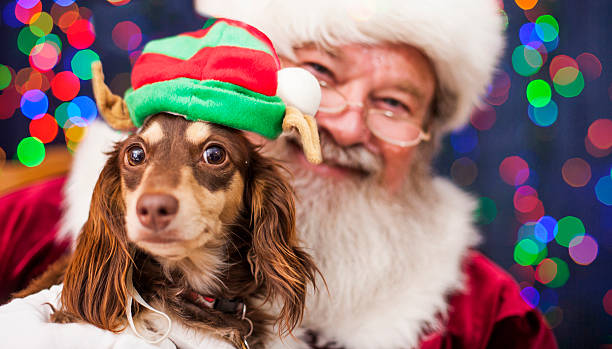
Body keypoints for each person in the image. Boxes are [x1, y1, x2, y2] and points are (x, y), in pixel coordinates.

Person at [0, 0, 557, 348]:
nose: (345, 124)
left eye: (392, 104)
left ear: (426, 139)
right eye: (319, 74)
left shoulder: (487, 314)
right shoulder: (46, 220)